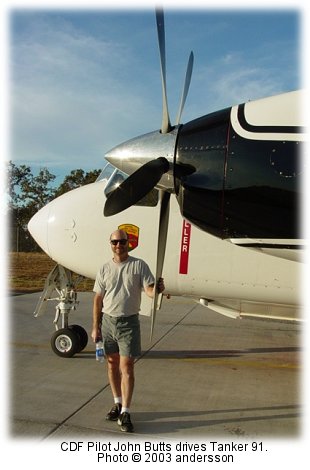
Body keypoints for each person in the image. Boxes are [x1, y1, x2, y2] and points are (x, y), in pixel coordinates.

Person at [91, 229, 165, 433]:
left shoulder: (139, 265)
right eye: (115, 242)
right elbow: (98, 298)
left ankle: (126, 411)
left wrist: (156, 289)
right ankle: (116, 403)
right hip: (107, 322)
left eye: (122, 242)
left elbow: (149, 290)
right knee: (112, 364)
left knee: (127, 367)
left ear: (128, 243)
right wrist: (95, 326)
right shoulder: (104, 268)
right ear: (110, 243)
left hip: (128, 324)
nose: (118, 245)